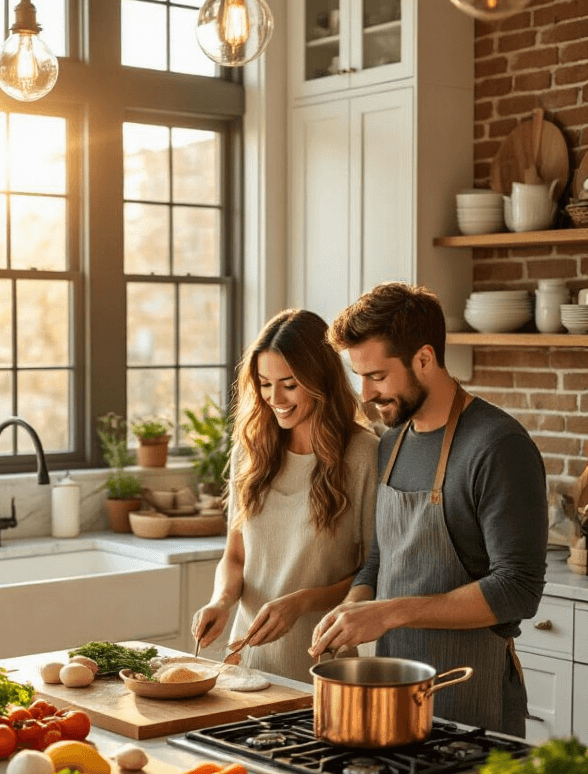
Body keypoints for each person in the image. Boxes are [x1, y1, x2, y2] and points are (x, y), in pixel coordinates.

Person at [310, 282, 548, 737]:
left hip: (472, 694)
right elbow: (383, 559)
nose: (365, 394)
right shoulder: (392, 442)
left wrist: (390, 613)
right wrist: (353, 609)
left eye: (377, 376)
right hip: (394, 694)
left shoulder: (498, 446)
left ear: (424, 359)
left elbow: (518, 589)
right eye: (360, 376)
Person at [192, 309, 379, 683]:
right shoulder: (250, 450)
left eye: (289, 384)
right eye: (264, 383)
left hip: (320, 666)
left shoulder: (362, 454)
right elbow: (235, 556)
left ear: (319, 379)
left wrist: (301, 602)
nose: (274, 398)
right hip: (243, 660)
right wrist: (222, 601)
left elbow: (371, 573)